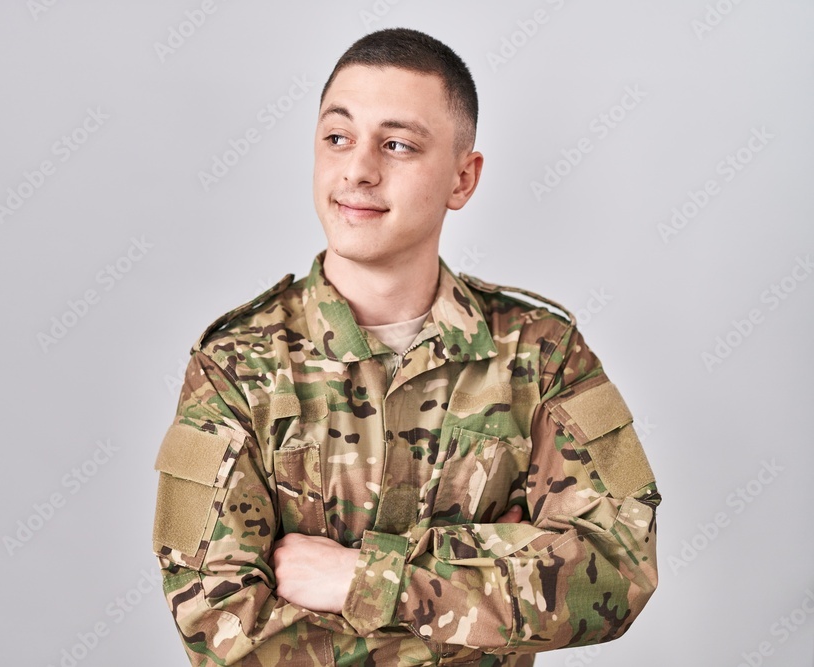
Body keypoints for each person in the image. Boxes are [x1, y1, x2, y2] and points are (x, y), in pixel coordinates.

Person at [153, 27, 661, 667]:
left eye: (397, 145)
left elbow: (617, 569)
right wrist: (486, 587)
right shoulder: (233, 365)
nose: (358, 169)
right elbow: (220, 627)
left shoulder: (542, 354)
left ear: (462, 179)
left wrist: (362, 581)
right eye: (337, 138)